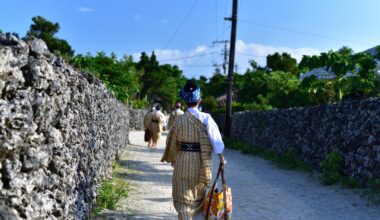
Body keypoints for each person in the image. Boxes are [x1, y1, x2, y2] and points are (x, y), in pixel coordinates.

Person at [161, 80, 226, 220]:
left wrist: (173, 158)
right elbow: (216, 139)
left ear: (184, 101)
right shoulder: (206, 118)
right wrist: (221, 157)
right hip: (200, 162)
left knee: (183, 197)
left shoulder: (179, 120)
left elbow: (171, 141)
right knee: (198, 196)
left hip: (182, 161)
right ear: (200, 100)